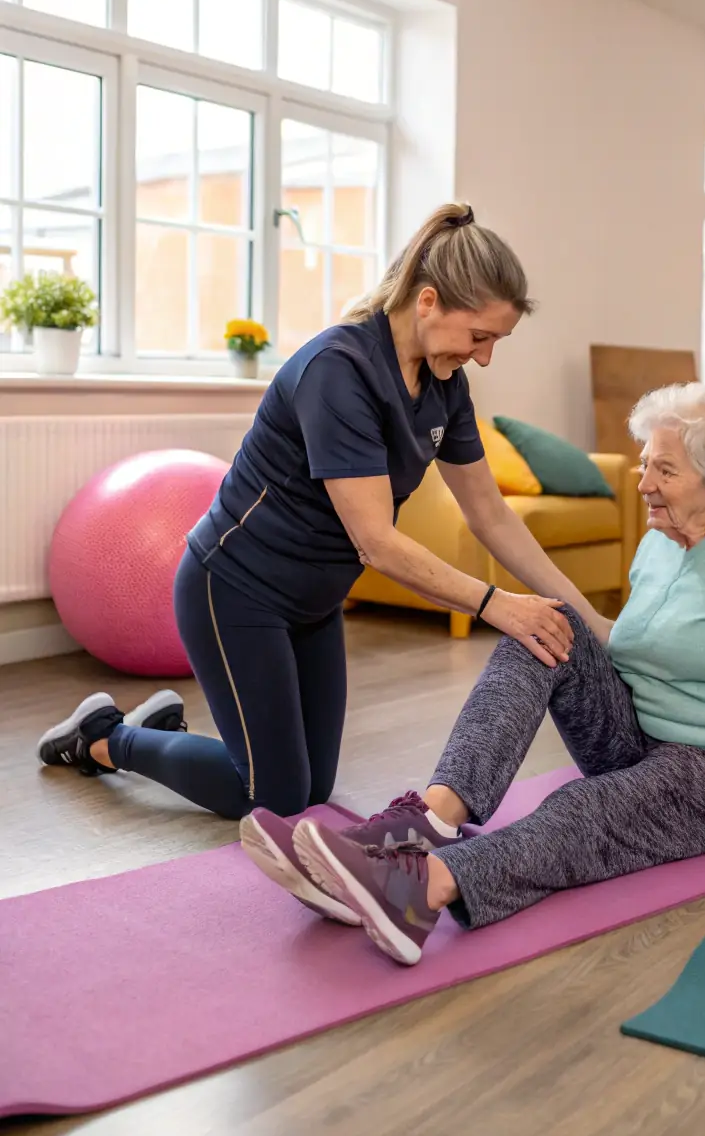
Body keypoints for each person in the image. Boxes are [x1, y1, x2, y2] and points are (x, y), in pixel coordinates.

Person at [249, 382, 705, 964]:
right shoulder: (662, 546)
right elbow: (638, 644)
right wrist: (558, 635)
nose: (643, 484)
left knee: (579, 807)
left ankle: (416, 890)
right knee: (540, 625)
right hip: (640, 737)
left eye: (664, 470)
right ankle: (430, 819)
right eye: (644, 464)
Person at [36, 205, 613, 844]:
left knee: (313, 786)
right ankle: (106, 738)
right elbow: (376, 541)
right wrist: (494, 604)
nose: (485, 358)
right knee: (271, 796)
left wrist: (590, 620)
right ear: (428, 302)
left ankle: (155, 726)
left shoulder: (444, 384)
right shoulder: (338, 371)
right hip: (234, 590)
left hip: (313, 605)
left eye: (496, 341)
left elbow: (491, 514)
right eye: (480, 336)